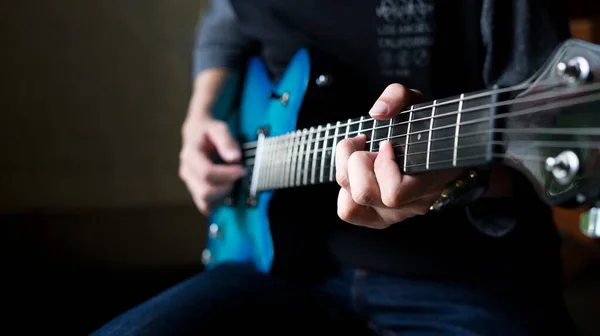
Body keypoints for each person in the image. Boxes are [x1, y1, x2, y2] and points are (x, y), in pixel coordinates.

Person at [93, 0, 576, 335]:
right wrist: (201, 114)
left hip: (466, 280)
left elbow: (543, 126)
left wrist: (453, 177)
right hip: (277, 264)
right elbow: (226, 19)